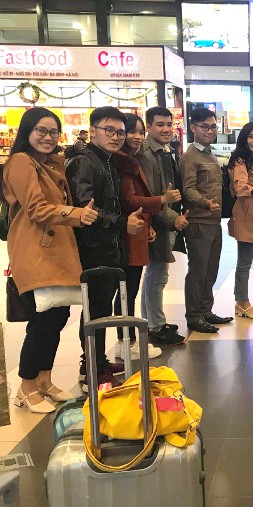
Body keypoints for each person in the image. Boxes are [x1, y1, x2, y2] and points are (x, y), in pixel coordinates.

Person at [2, 108, 98, 413]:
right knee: (42, 320)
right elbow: (36, 208)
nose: (48, 137)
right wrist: (76, 214)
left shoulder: (48, 163)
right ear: (27, 131)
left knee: (57, 315)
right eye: (41, 131)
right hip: (36, 249)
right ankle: (26, 386)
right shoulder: (21, 162)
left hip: (57, 248)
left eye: (53, 132)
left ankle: (44, 380)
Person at [66, 106, 144, 390]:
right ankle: (91, 368)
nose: (116, 137)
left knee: (100, 307)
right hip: (91, 247)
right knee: (93, 308)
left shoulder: (107, 160)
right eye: (109, 130)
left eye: (120, 132)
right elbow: (84, 208)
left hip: (107, 245)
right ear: (93, 131)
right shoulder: (84, 162)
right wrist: (122, 223)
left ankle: (97, 361)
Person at [114, 113, 182, 358]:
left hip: (142, 225)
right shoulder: (133, 159)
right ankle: (134, 337)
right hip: (127, 229)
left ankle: (139, 333)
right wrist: (164, 203)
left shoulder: (137, 156)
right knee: (132, 286)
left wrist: (148, 222)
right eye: (129, 131)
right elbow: (132, 199)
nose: (135, 136)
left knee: (135, 284)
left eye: (138, 132)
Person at [179, 107, 233, 332]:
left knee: (211, 269)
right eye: (205, 127)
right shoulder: (190, 156)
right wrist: (204, 202)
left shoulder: (209, 153)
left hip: (213, 221)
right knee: (198, 271)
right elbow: (187, 188)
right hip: (198, 221)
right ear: (193, 127)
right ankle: (194, 316)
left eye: (213, 127)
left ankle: (205, 310)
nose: (210, 131)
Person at [137, 107, 188, 344]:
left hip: (162, 220)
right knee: (157, 276)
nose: (166, 129)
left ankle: (150, 323)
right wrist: (172, 217)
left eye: (169, 124)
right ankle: (155, 326)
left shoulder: (164, 150)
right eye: (160, 124)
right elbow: (153, 195)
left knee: (155, 274)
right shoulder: (147, 154)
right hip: (157, 221)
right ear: (149, 126)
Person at [227, 122, 253, 319]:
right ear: (244, 139)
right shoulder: (240, 161)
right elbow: (240, 188)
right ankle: (243, 302)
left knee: (246, 261)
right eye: (251, 137)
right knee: (244, 263)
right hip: (246, 216)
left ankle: (240, 302)